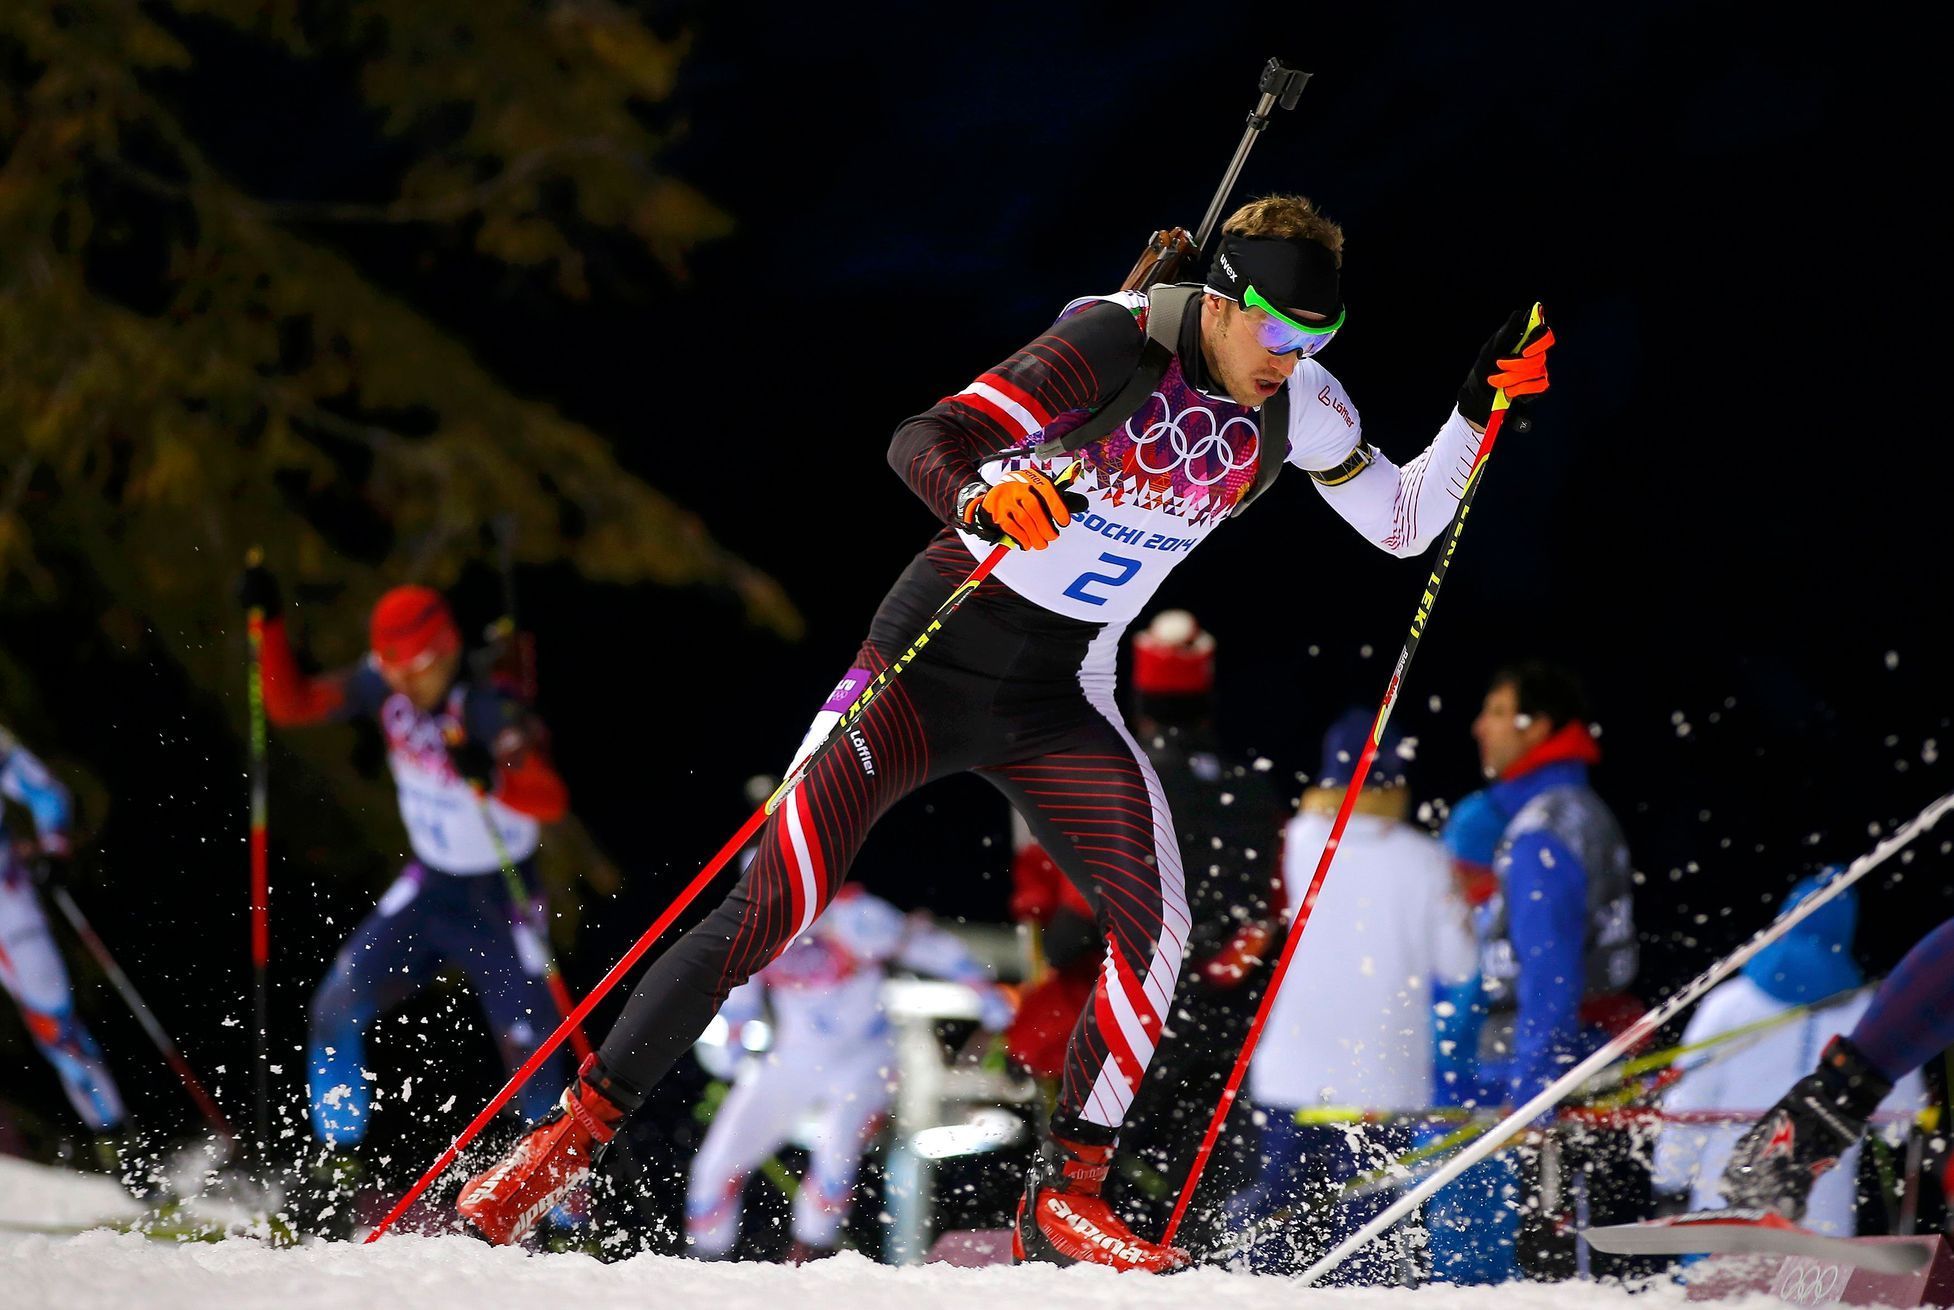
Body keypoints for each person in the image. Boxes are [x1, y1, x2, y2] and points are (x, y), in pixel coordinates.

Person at [456, 191, 1554, 1270]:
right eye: (1274, 325)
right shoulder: (1106, 343)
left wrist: (1473, 407)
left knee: (1156, 926)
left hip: (1057, 693)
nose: (1289, 354)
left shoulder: (1299, 401)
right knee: (773, 902)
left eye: (1318, 334)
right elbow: (924, 436)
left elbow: (1405, 523)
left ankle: (1068, 1192)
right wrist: (985, 495)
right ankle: (563, 1143)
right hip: (925, 665)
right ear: (1217, 298)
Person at [237, 566, 574, 1235]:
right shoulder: (384, 685)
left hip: (499, 900)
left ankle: (562, 1214)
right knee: (334, 1007)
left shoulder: (486, 705)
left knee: (537, 1058)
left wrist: (498, 777)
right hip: (430, 886)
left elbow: (549, 798)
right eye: (389, 668)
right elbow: (293, 704)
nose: (400, 683)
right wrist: (268, 626)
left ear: (445, 651)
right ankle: (338, 1167)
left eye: (411, 668)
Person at [1234, 705, 1477, 1281]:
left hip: (1292, 1073)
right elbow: (1463, 964)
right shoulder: (1427, 859)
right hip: (1383, 1081)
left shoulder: (1292, 841)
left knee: (1276, 1234)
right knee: (1371, 1242)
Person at [685, 883, 1013, 1263]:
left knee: (836, 1151)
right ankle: (705, 1256)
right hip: (793, 1057)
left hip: (864, 1058)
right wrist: (733, 1041)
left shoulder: (853, 914)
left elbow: (928, 947)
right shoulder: (754, 928)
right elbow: (739, 993)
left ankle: (811, 1251)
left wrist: (982, 988)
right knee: (717, 1160)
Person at [1103, 609, 1286, 1255]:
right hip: (1231, 1008)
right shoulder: (1254, 788)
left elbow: (1089, 906)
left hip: (1145, 1003)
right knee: (1206, 1177)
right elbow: (1271, 903)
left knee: (1106, 1166)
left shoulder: (1127, 781)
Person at [1466, 660, 1646, 1280]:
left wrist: (1532, 1089)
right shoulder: (1572, 808)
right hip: (1588, 1064)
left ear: (1535, 726)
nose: (1478, 727)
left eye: (1494, 712)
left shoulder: (1545, 827)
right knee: (1608, 1265)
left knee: (1551, 1275)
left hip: (1561, 1078)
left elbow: (1551, 974)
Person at [1653, 872, 1927, 1236]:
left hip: (1720, 1210)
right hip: (1820, 1220)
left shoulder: (1728, 1003)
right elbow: (1899, 1122)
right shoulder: (1873, 1015)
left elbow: (1688, 1101)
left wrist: (1670, 1181)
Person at [1721, 915, 1954, 1221]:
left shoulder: (1728, 1001)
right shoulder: (1854, 1003)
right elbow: (1902, 1118)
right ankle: (1801, 1135)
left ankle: (1799, 1136)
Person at [0, 724, 141, 1190]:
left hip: (9, 911)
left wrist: (53, 849)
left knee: (58, 1028)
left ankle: (119, 1148)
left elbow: (42, 790)